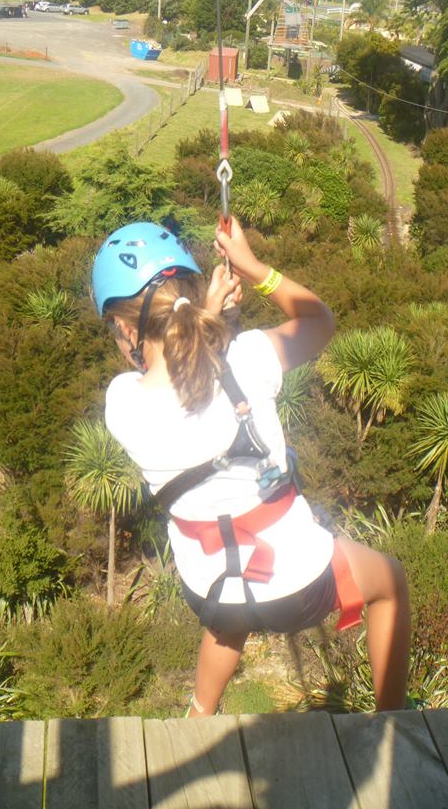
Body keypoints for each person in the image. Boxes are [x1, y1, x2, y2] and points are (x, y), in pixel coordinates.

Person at [92, 217, 411, 716]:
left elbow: (176, 377)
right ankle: (395, 722)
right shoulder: (247, 358)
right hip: (298, 587)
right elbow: (319, 321)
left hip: (208, 590)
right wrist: (253, 268)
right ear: (189, 298)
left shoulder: (121, 405)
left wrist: (207, 316)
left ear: (127, 327)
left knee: (229, 613)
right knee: (390, 583)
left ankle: (199, 714)